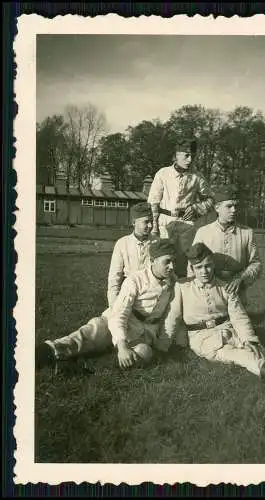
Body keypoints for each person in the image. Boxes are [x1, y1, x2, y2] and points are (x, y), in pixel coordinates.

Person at [35, 239, 177, 374]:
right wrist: (121, 345)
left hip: (142, 331)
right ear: (153, 261)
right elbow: (120, 314)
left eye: (173, 262)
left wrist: (162, 345)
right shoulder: (135, 280)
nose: (172, 267)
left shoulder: (173, 283)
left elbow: (171, 315)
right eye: (167, 262)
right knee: (89, 335)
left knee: (144, 353)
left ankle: (81, 368)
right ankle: (44, 353)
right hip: (117, 320)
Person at [167, 243, 265, 380]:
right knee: (242, 356)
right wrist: (163, 347)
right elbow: (172, 317)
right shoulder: (182, 287)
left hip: (228, 330)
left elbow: (238, 316)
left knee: (262, 353)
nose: (204, 271)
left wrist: (249, 340)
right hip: (203, 338)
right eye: (199, 267)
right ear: (192, 268)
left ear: (213, 265)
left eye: (208, 265)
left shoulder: (224, 286)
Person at [147, 136, 215, 277]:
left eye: (193, 156)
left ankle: (184, 296)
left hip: (187, 225)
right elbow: (153, 202)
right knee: (164, 262)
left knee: (185, 265)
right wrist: (154, 229)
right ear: (177, 155)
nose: (190, 160)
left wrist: (196, 208)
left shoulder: (197, 177)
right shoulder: (163, 174)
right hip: (164, 224)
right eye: (186, 155)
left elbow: (210, 199)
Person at [190, 187, 262, 306]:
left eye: (235, 206)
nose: (234, 210)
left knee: (240, 322)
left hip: (237, 290)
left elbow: (256, 263)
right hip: (210, 291)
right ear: (217, 208)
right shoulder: (203, 232)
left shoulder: (247, 232)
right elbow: (192, 264)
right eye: (229, 206)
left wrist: (241, 279)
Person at [107, 202, 157, 308]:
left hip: (151, 297)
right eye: (146, 222)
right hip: (128, 295)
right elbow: (114, 278)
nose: (150, 226)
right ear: (134, 222)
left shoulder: (157, 243)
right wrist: (114, 305)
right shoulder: (122, 243)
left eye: (152, 221)